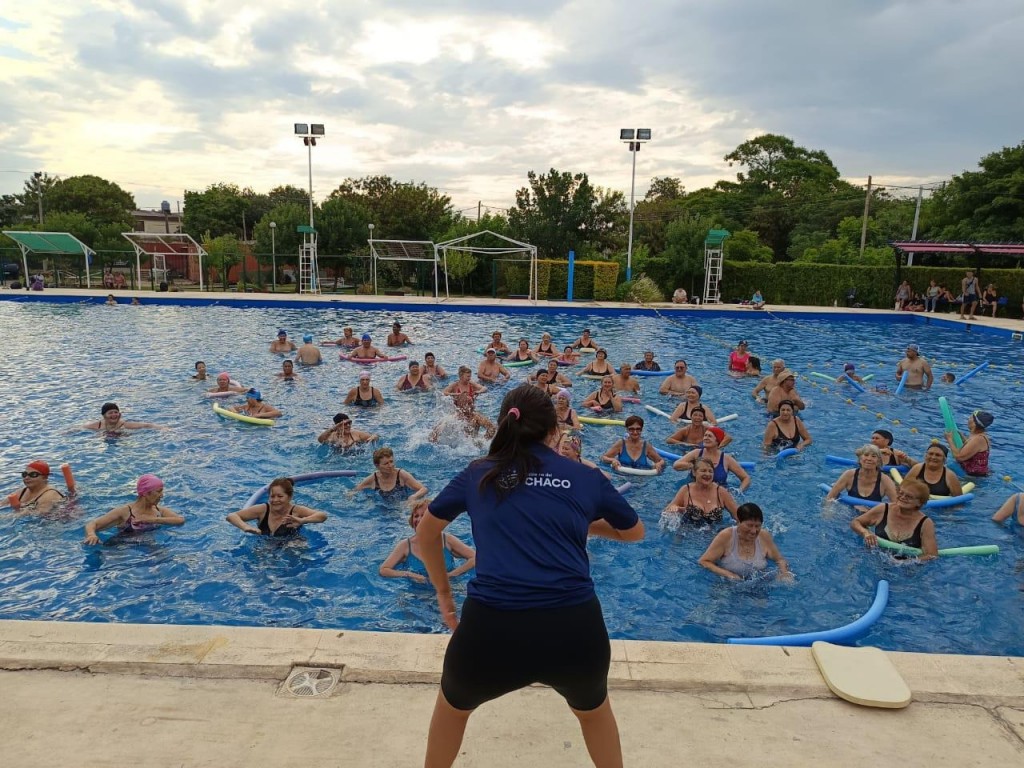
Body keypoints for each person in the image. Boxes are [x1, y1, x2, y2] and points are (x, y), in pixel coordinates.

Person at [413, 384, 644, 767]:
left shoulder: (478, 474)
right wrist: (583, 523)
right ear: (554, 431)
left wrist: (444, 594)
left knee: (453, 710)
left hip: (490, 628)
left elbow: (427, 531)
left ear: (506, 422)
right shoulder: (584, 477)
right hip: (574, 629)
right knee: (594, 713)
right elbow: (634, 532)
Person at [379, 503, 476, 584]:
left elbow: (475, 558)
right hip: (416, 595)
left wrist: (452, 574)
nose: (419, 519)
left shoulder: (447, 540)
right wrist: (410, 575)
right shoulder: (405, 546)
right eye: (416, 516)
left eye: (424, 515)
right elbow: (384, 570)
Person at [850, 478, 937, 560]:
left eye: (909, 496)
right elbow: (856, 522)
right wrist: (866, 533)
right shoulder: (883, 509)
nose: (902, 497)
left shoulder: (925, 523)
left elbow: (931, 555)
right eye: (901, 493)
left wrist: (906, 562)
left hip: (905, 568)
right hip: (874, 559)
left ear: (920, 502)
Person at [698, 503, 790, 580]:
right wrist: (728, 574)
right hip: (727, 584)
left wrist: (784, 573)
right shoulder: (725, 536)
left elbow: (780, 560)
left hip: (758, 583)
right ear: (738, 522)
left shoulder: (764, 536)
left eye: (757, 526)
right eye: (749, 525)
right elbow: (704, 561)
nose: (754, 531)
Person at [84, 474, 185, 544]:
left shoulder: (159, 510)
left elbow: (180, 520)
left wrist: (152, 520)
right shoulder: (125, 511)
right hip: (121, 547)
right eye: (159, 491)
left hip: (147, 546)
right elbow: (92, 524)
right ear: (146, 493)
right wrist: (91, 535)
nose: (162, 495)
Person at [225, 476, 327, 537]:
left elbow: (322, 516)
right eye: (272, 496)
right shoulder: (263, 509)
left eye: (280, 496)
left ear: (289, 497)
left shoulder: (297, 510)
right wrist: (245, 527)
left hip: (292, 541)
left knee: (296, 547)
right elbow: (231, 516)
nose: (275, 500)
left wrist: (302, 520)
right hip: (266, 544)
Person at [663, 456, 738, 524]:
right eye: (703, 471)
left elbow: (738, 517)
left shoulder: (721, 492)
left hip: (714, 535)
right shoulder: (686, 490)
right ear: (694, 472)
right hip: (686, 533)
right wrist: (677, 509)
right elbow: (667, 511)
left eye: (710, 471)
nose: (708, 474)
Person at [672, 427, 751, 492]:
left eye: (709, 436)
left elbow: (746, 478)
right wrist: (693, 465)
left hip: (717, 493)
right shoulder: (697, 453)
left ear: (717, 441)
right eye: (705, 435)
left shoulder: (726, 459)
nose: (706, 438)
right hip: (694, 490)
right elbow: (676, 465)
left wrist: (739, 491)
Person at [826, 444, 898, 509]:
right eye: (866, 455)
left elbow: (896, 504)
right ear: (860, 459)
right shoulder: (849, 475)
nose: (869, 459)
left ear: (878, 461)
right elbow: (830, 497)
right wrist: (828, 512)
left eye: (873, 456)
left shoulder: (885, 480)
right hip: (849, 513)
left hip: (873, 516)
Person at [353, 447, 428, 503]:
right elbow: (355, 490)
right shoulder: (373, 478)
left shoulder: (401, 474)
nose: (390, 465)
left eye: (391, 461)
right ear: (377, 466)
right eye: (386, 463)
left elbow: (423, 489)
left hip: (401, 505)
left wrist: (413, 497)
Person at [600, 415, 666, 473]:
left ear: (641, 430)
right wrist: (613, 460)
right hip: (622, 477)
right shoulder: (621, 444)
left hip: (642, 480)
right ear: (627, 429)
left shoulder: (646, 446)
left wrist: (659, 464)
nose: (635, 432)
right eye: (631, 429)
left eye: (638, 429)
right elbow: (603, 457)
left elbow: (661, 461)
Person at [945, 410, 993, 477]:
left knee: (945, 467)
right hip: (977, 473)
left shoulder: (978, 439)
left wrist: (949, 439)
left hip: (972, 477)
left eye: (970, 418)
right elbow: (973, 450)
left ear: (974, 423)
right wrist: (963, 438)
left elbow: (958, 457)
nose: (968, 420)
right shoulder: (980, 436)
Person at [83, 402, 164, 434]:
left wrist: (164, 429)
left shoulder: (124, 425)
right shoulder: (98, 425)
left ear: (120, 414)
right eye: (110, 413)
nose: (114, 415)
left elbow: (147, 425)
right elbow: (80, 428)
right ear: (104, 416)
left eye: (116, 412)